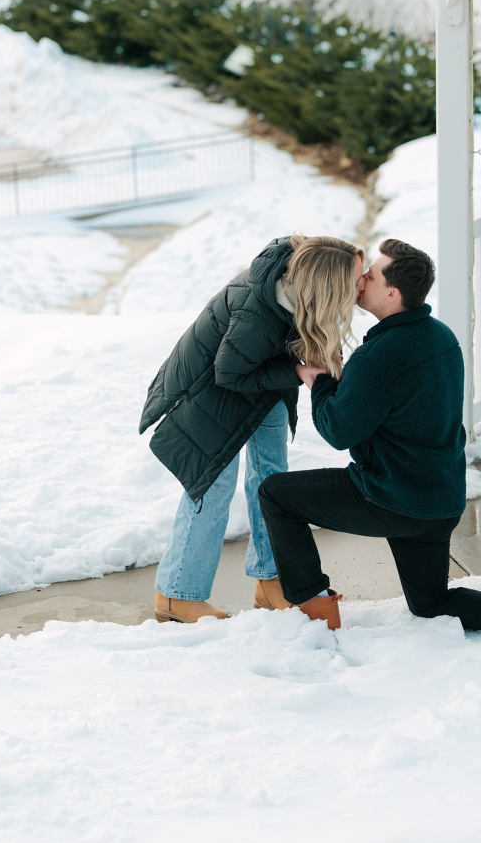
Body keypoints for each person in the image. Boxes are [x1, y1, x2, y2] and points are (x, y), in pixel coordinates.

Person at [259, 238, 481, 637]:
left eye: (370, 276)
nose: (360, 281)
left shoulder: (379, 357)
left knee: (276, 494)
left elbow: (338, 431)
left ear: (391, 293)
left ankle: (314, 605)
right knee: (430, 603)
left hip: (390, 499)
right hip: (439, 502)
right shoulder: (441, 336)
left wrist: (322, 378)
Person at [139, 234, 364, 624]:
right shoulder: (257, 308)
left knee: (272, 479)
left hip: (262, 390)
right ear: (327, 286)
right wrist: (295, 369)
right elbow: (228, 372)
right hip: (211, 399)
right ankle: (177, 594)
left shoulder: (299, 290)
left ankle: (270, 579)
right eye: (356, 280)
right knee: (211, 488)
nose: (361, 286)